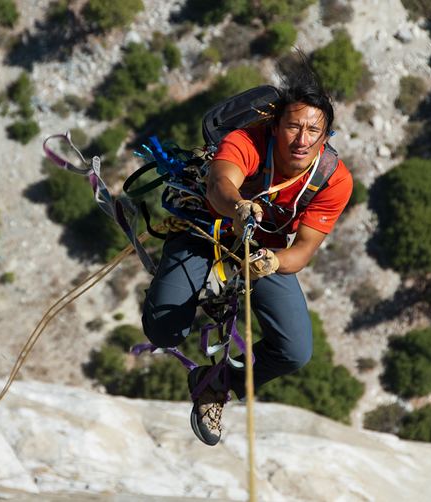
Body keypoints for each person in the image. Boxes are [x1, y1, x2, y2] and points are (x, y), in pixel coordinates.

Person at [140, 63, 353, 446]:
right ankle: (172, 294)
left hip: (262, 252)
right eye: (293, 127)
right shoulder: (247, 141)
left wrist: (273, 262)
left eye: (313, 131)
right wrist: (238, 206)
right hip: (207, 229)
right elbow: (220, 183)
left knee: (294, 351)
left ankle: (214, 384)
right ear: (276, 125)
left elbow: (302, 251)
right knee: (164, 330)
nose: (301, 139)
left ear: (325, 136)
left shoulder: (333, 179)